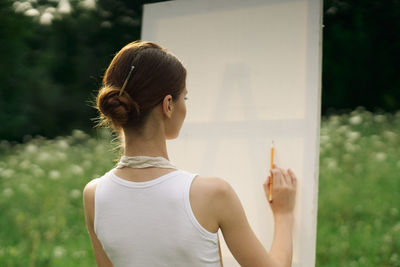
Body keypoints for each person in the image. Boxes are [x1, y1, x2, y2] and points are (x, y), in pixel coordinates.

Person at [83, 41, 297, 267]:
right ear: (168, 105)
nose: (185, 106)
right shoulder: (213, 193)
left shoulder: (94, 195)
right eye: (184, 98)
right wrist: (284, 214)